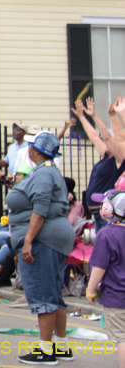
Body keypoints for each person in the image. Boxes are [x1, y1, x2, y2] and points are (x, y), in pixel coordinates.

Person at [6, 131, 75, 365]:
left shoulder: (44, 173)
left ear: (35, 151)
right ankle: (61, 347)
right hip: (51, 238)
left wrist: (27, 241)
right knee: (53, 292)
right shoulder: (48, 170)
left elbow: (40, 209)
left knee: (44, 294)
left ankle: (45, 351)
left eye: (30, 146)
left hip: (43, 240)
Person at [86, 189, 125, 368]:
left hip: (117, 297)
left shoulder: (107, 234)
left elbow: (99, 267)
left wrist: (90, 290)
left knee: (122, 337)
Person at [76, 99, 125, 232]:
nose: (106, 140)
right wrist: (83, 117)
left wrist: (113, 116)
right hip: (96, 212)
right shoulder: (106, 156)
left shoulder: (119, 160)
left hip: (106, 212)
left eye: (112, 139)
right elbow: (94, 136)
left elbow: (109, 137)